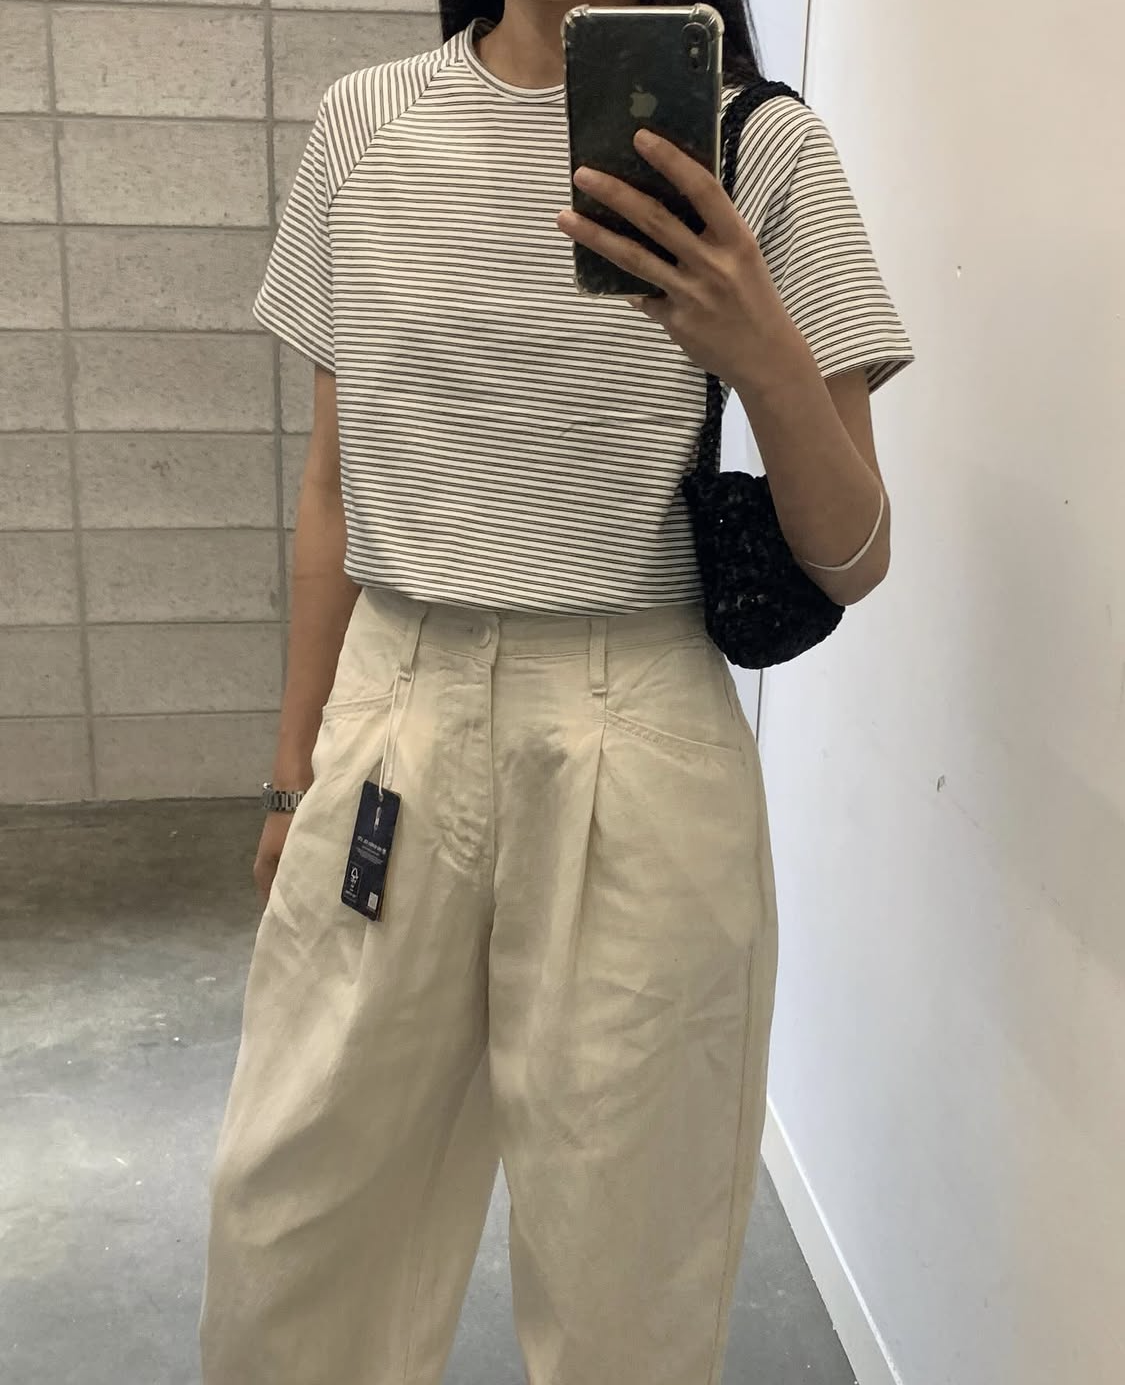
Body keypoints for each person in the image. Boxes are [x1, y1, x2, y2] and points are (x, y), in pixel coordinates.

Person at [199, 1, 914, 1381]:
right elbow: (331, 492)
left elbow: (858, 553)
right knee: (292, 1224)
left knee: (627, 1270)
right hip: (392, 711)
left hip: (635, 722)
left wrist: (757, 345)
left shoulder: (763, 147)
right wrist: (291, 777)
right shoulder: (366, 123)